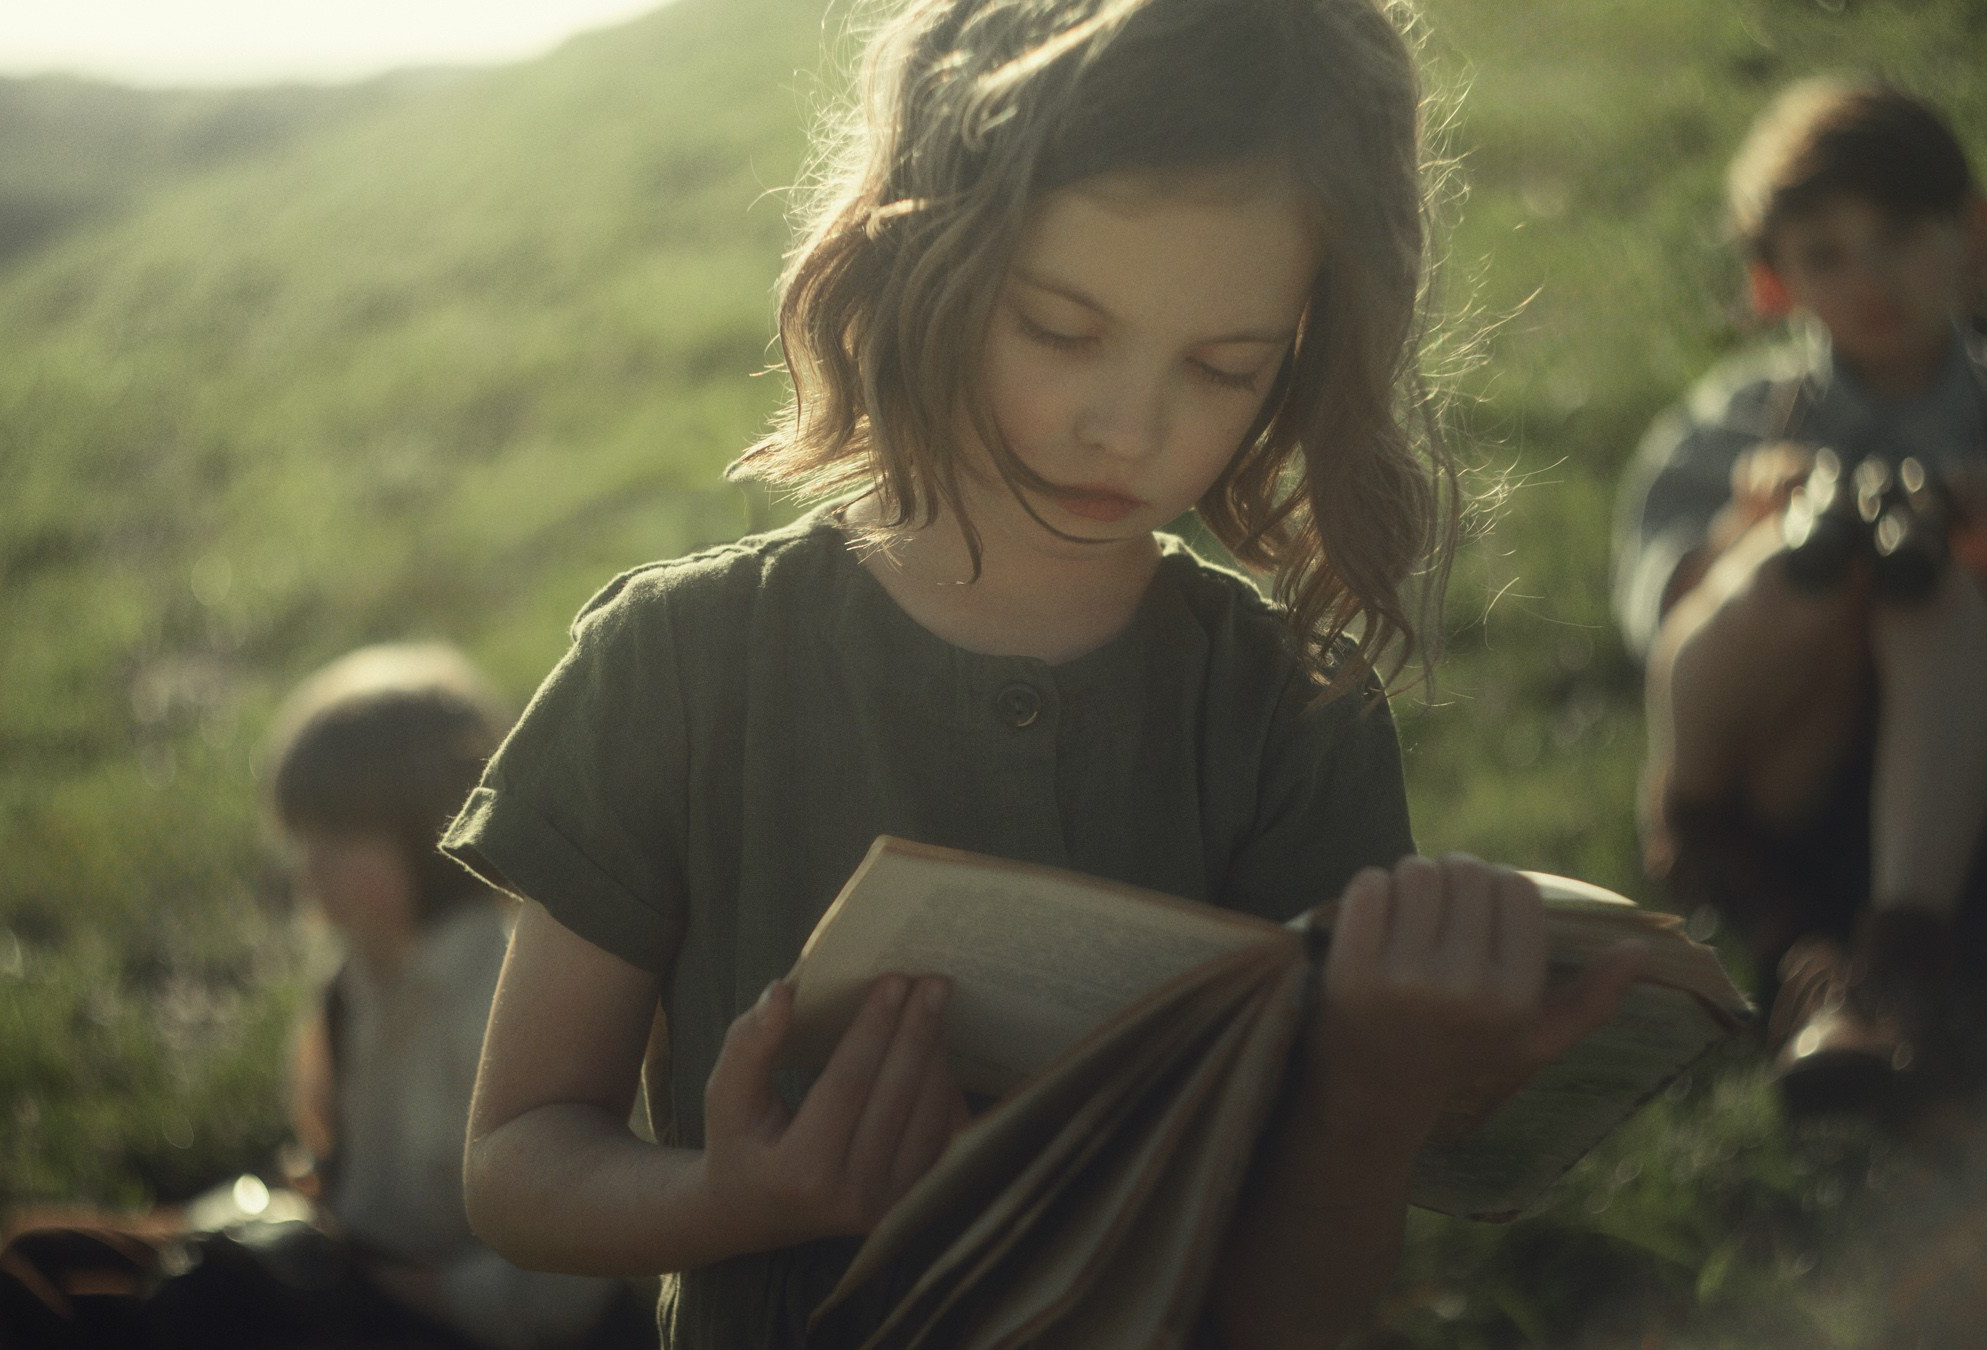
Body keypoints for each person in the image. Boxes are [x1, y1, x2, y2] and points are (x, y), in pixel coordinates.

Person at [441, 3, 1644, 1347]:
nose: (1127, 423)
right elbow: (516, 1164)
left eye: (1225, 367)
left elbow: (1288, 1314)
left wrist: (1372, 1097)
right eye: (1062, 330)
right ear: (920, 250)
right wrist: (735, 1194)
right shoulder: (676, 665)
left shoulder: (1294, 718)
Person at [1611, 79, 1987, 1112]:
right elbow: (1663, 619)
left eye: (1901, 236)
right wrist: (1749, 531)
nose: (1870, 280)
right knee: (1789, 566)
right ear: (1775, 285)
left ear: (1972, 234)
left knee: (1925, 578)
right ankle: (1707, 832)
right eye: (1826, 256)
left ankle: (1896, 959)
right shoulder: (1738, 419)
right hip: (1784, 754)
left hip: (1961, 769)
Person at [0, 642, 640, 1350]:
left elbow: (560, 1294)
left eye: (339, 834)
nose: (309, 865)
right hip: (336, 1253)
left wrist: (358, 1281)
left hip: (440, 1316)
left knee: (199, 1308)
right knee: (35, 1258)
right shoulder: (353, 977)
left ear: (433, 830)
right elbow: (327, 1165)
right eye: (302, 835)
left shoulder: (504, 996)